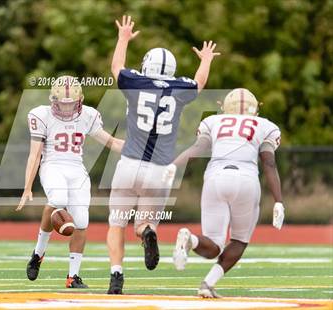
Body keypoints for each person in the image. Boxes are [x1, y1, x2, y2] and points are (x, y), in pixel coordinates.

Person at [107, 15, 220, 294]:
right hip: (160, 170)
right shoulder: (180, 88)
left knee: (117, 223)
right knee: (142, 225)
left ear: (146, 65)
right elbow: (199, 82)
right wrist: (206, 59)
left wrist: (123, 38)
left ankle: (116, 276)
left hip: (129, 164)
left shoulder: (135, 81)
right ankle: (147, 233)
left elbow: (116, 68)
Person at [165, 88, 285, 298]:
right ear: (256, 108)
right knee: (239, 241)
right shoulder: (266, 126)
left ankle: (191, 240)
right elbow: (269, 162)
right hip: (246, 180)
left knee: (213, 245)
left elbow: (198, 148)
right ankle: (208, 283)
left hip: (215, 179)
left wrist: (174, 165)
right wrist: (279, 201)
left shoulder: (212, 121)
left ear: (224, 107)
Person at [16, 75, 124, 288]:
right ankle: (38, 254)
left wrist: (138, 151)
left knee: (82, 220)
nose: (66, 109)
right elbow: (35, 154)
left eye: (70, 104)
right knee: (57, 198)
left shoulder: (88, 116)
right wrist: (27, 186)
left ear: (80, 101)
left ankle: (73, 276)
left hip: (76, 167)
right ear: (53, 101)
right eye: (62, 104)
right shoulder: (41, 115)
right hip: (52, 164)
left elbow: (110, 141)